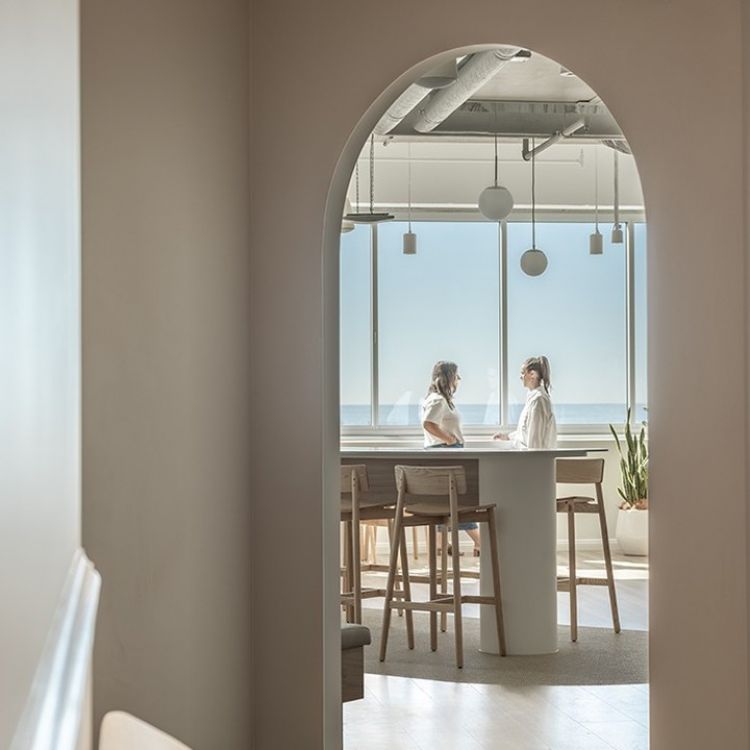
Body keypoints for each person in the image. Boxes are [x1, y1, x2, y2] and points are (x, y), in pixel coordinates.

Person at [422, 361, 481, 555]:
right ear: (448, 377)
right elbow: (429, 424)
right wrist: (449, 439)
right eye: (456, 375)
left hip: (445, 451)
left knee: (447, 502)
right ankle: (480, 542)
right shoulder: (438, 400)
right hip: (446, 452)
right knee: (460, 502)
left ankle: (441, 544)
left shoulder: (440, 399)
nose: (459, 379)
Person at [494, 356, 557, 449]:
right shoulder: (533, 399)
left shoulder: (539, 401)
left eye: (523, 373)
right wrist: (508, 437)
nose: (520, 377)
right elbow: (526, 432)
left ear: (532, 375)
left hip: (535, 462)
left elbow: (535, 445)